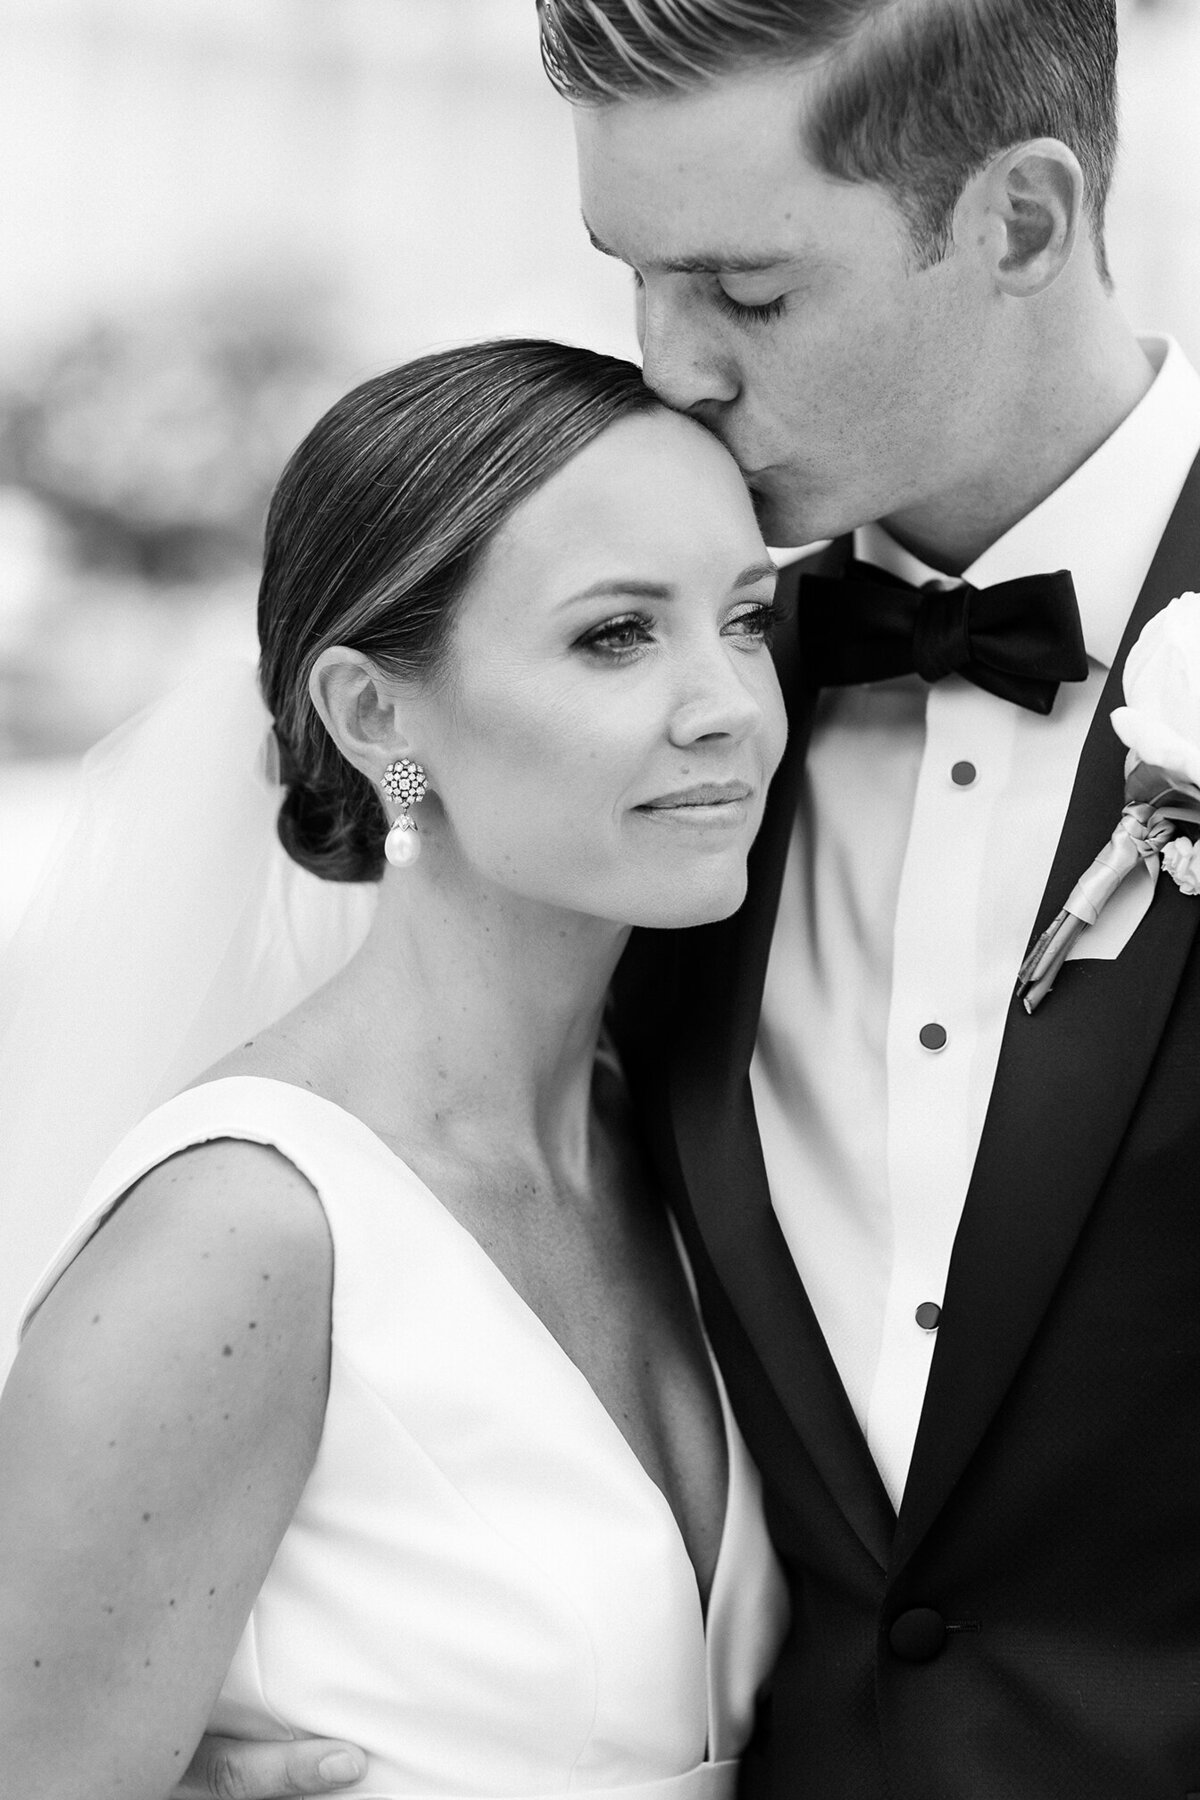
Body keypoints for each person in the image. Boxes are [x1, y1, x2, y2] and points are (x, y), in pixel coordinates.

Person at [188, 1, 1200, 1796]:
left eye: (748, 289)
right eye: (632, 273)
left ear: (1023, 223)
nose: (668, 368)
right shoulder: (636, 737)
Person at [0, 337, 792, 1798]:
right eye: (617, 634)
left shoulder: (681, 1146)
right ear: (377, 718)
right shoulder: (242, 1236)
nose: (728, 704)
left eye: (744, 619)